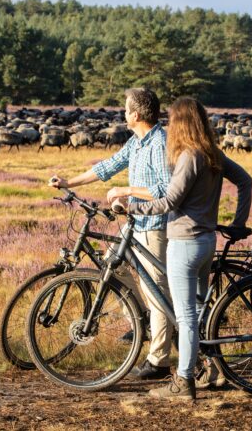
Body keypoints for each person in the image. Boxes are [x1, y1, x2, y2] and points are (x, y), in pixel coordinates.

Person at [123, 96, 252, 400]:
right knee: (196, 312)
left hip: (185, 243)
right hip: (206, 241)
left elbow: (170, 201)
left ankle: (183, 382)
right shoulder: (211, 153)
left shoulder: (190, 156)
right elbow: (245, 181)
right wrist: (238, 222)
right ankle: (208, 370)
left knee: (186, 317)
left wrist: (131, 206)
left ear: (180, 122)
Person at [49, 87, 174, 379]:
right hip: (136, 224)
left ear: (137, 114)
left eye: (126, 109)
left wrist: (127, 192)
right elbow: (108, 167)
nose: (124, 114)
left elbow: (166, 190)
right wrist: (70, 182)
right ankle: (144, 320)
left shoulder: (159, 143)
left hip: (155, 226)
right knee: (111, 265)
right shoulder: (137, 143)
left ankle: (159, 360)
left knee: (156, 292)